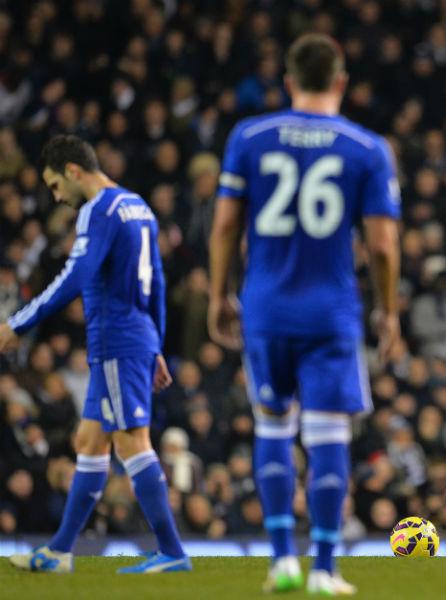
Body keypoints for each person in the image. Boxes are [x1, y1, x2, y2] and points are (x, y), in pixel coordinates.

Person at [208, 34, 400, 595]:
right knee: (327, 433)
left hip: (265, 307)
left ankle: (280, 561)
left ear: (288, 82)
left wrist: (221, 295)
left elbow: (223, 226)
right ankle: (323, 568)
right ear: (341, 82)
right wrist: (388, 312)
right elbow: (384, 247)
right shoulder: (366, 148)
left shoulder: (248, 136)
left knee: (272, 424)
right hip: (331, 311)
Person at [1, 135, 189, 573]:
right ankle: (61, 552)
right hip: (135, 336)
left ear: (72, 171)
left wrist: (18, 323)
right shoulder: (138, 206)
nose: (55, 197)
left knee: (132, 443)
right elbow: (157, 281)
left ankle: (173, 551)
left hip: (117, 341)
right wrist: (157, 343)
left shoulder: (97, 210)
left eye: (53, 186)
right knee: (89, 441)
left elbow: (75, 276)